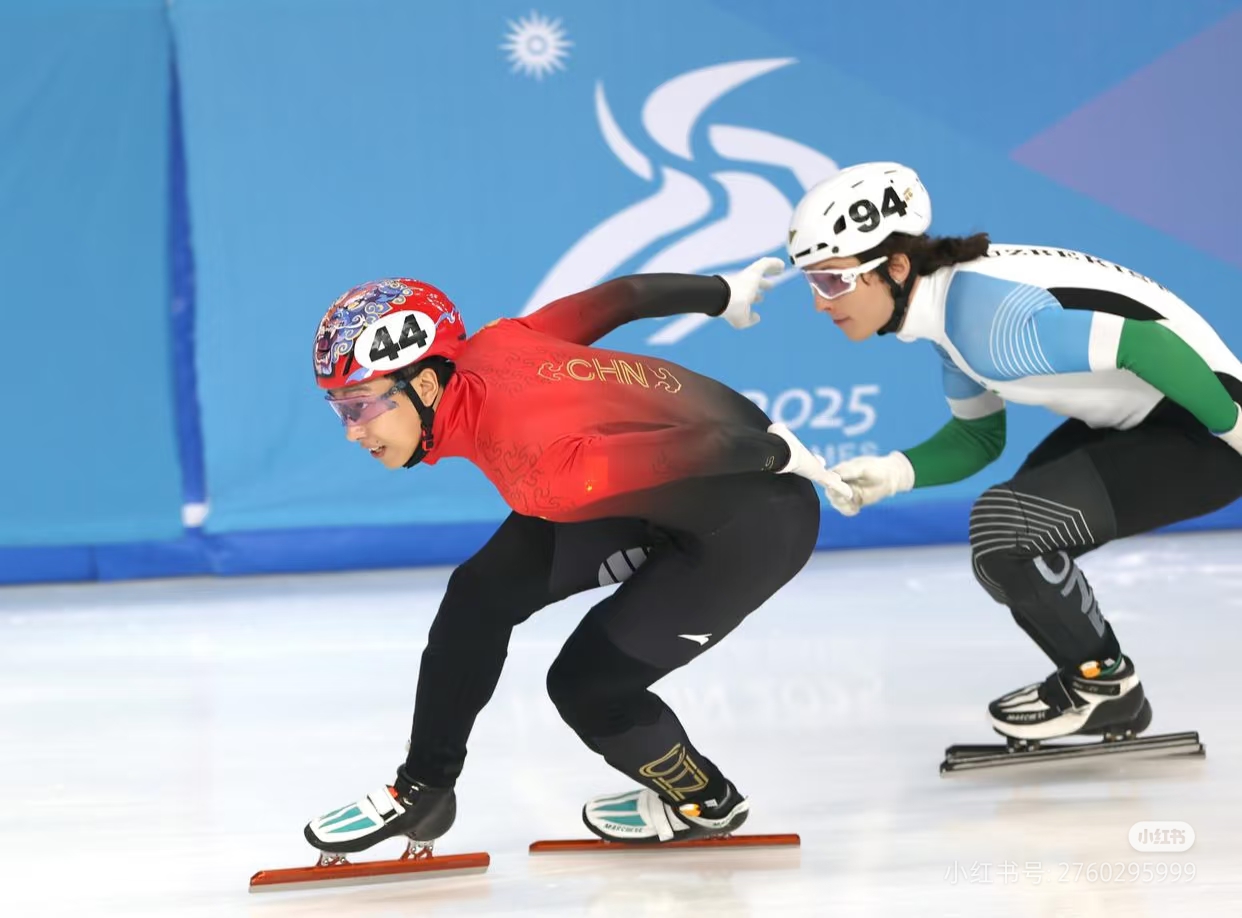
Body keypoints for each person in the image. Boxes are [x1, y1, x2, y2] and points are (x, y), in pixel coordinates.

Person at [303, 265, 850, 852]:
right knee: (480, 595)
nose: (353, 432)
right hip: (670, 474)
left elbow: (682, 453)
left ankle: (706, 801)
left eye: (359, 407)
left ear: (427, 387)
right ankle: (425, 790)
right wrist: (723, 293)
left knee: (587, 686)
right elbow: (622, 297)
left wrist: (778, 454)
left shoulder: (538, 470)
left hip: (753, 518)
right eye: (341, 410)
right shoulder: (496, 342)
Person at [785, 161, 1242, 742]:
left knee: (1006, 530)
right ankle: (1102, 681)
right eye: (813, 283)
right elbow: (979, 438)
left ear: (895, 267)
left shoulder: (984, 322)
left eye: (833, 280)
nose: (821, 303)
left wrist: (1235, 427)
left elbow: (1148, 342)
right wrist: (896, 473)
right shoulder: (949, 312)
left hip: (1203, 424)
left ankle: (1102, 686)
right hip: (1148, 417)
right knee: (1004, 545)